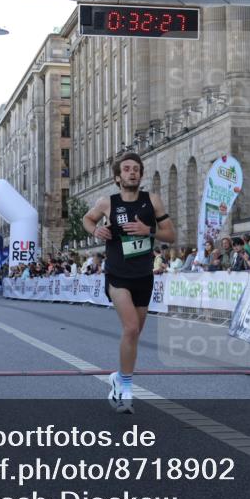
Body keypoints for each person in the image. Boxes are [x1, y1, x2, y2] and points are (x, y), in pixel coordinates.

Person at [82, 153, 175, 414]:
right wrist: (95, 230)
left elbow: (171, 235)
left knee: (133, 335)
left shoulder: (152, 201)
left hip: (144, 276)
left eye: (136, 169)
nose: (132, 172)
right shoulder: (107, 203)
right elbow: (87, 219)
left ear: (140, 175)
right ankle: (125, 391)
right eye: (126, 169)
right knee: (131, 327)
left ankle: (118, 377)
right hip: (118, 275)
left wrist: (150, 231)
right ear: (118, 177)